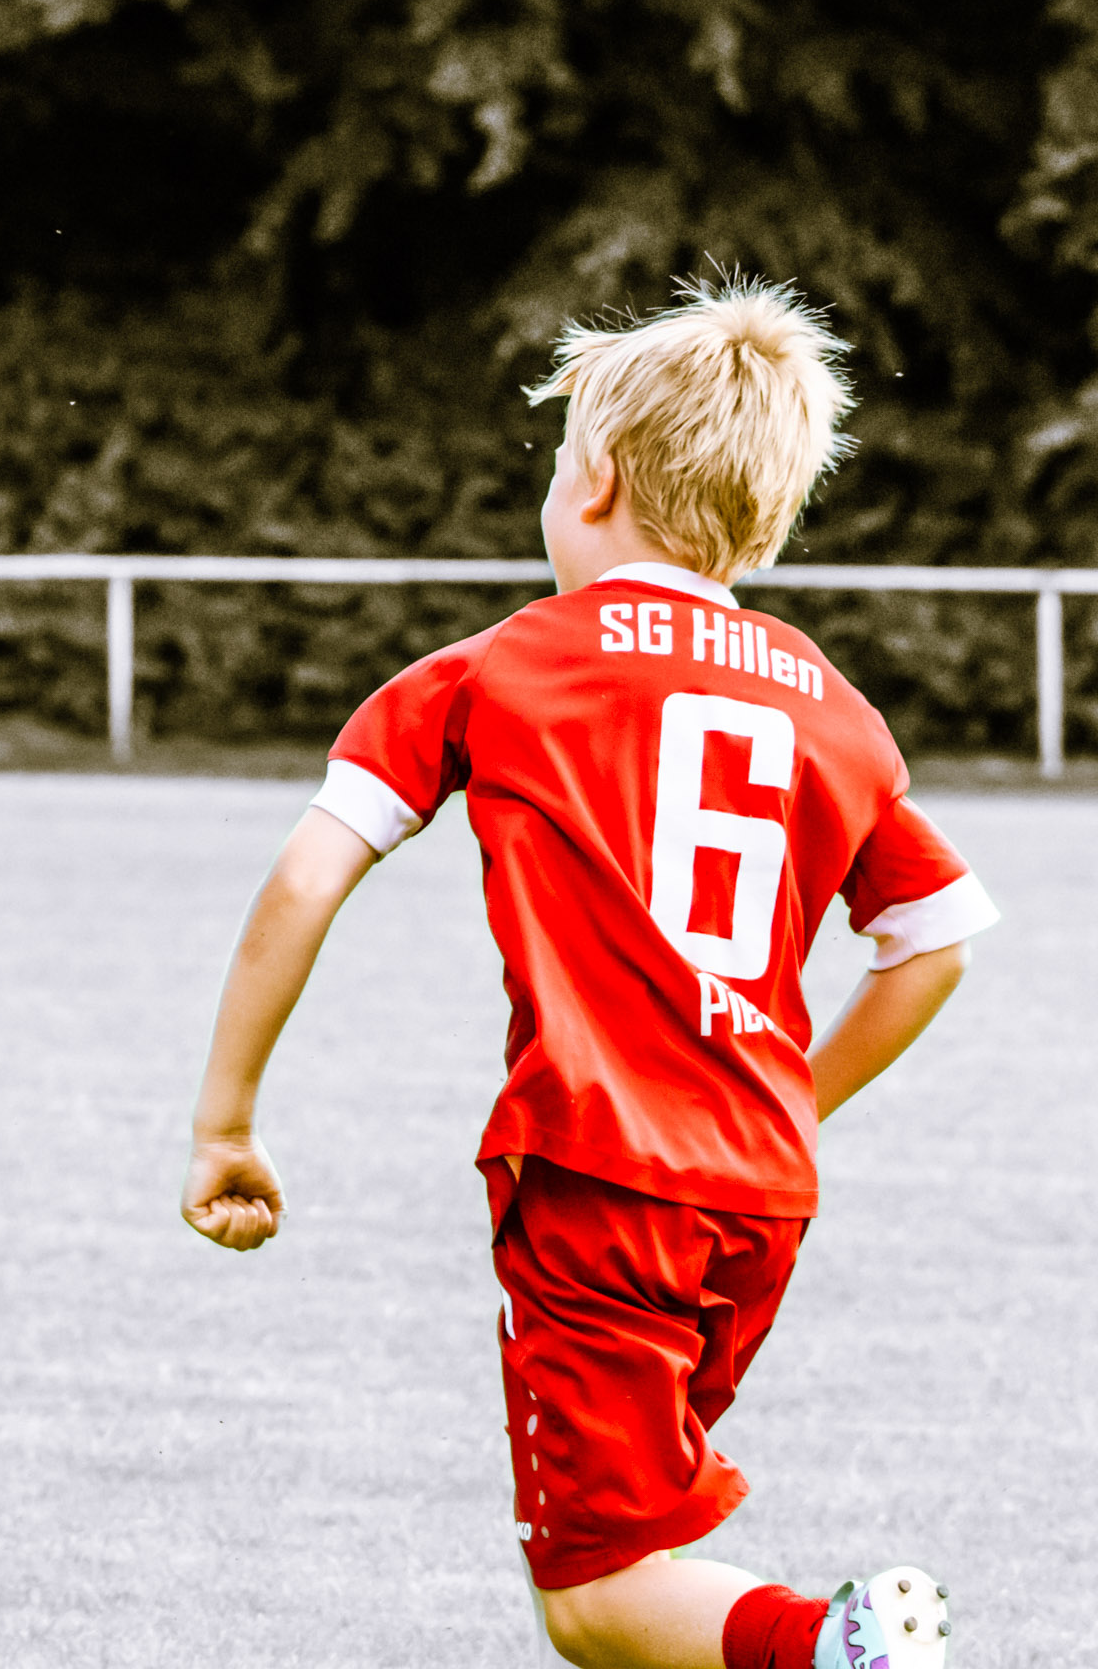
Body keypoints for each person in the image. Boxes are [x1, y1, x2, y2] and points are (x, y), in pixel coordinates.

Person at [179, 278, 996, 1669]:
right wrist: (788, 1103)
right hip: (757, 1196)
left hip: (599, 1180)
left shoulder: (505, 665)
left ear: (597, 476)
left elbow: (307, 876)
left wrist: (226, 1120)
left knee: (598, 1596)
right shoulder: (828, 700)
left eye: (556, 464)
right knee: (649, 1554)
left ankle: (843, 1645)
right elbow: (934, 941)